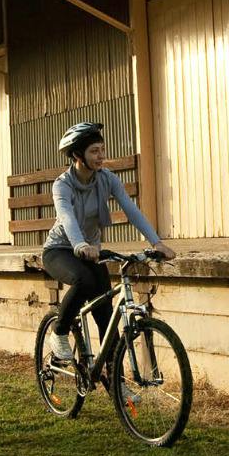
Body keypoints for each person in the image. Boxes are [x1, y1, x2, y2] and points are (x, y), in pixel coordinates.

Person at [43, 122, 176, 362]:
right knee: (83, 280)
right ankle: (59, 332)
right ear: (77, 154)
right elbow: (67, 217)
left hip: (92, 251)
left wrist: (157, 243)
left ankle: (118, 387)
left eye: (102, 149)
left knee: (107, 318)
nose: (101, 156)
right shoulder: (62, 184)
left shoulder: (107, 179)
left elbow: (131, 210)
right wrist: (80, 245)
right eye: (94, 151)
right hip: (61, 250)